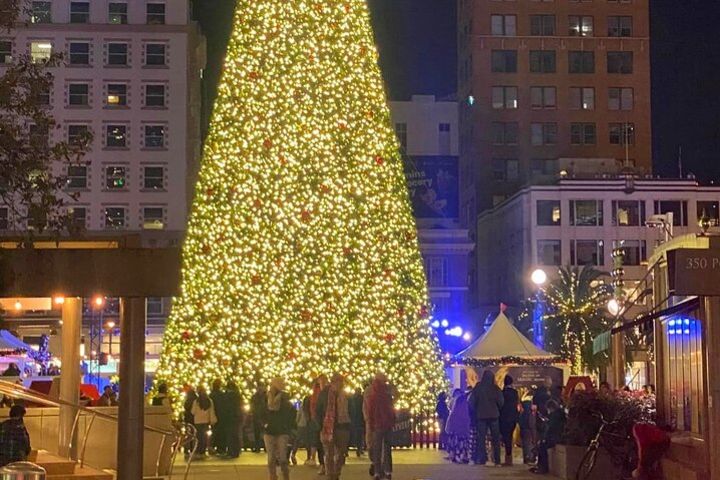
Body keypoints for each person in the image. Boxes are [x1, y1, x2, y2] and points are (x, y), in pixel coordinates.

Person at [318, 373, 351, 480]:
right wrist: (321, 425)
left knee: (341, 453)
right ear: (332, 382)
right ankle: (330, 475)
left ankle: (336, 473)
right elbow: (318, 410)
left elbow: (350, 410)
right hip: (328, 427)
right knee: (329, 454)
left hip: (342, 426)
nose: (340, 384)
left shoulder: (345, 395)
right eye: (338, 381)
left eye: (341, 381)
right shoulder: (325, 394)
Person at [469, 370, 503, 466]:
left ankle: (481, 459)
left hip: (481, 416)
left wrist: (476, 410)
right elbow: (501, 402)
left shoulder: (478, 388)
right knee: (496, 439)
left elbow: (471, 402)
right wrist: (497, 409)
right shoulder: (495, 388)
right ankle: (497, 460)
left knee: (481, 439)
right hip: (494, 416)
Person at [264, 377, 295, 480]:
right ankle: (272, 476)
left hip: (282, 430)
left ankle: (285, 476)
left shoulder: (284, 399)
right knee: (271, 458)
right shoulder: (266, 398)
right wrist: (264, 424)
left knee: (283, 458)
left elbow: (290, 413)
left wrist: (287, 426)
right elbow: (261, 411)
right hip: (269, 430)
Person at [367, 373, 395, 480]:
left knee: (377, 449)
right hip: (386, 424)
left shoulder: (373, 392)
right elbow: (390, 409)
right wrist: (392, 420)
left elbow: (370, 410)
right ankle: (387, 471)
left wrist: (370, 423)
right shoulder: (387, 392)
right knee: (387, 449)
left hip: (377, 424)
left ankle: (377, 472)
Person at [531, 399, 566, 475]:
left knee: (542, 447)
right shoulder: (559, 414)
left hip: (554, 438)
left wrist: (544, 438)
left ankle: (542, 467)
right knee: (541, 446)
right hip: (557, 436)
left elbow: (551, 429)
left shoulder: (554, 416)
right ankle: (540, 466)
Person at [444, 388, 470, 463]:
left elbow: (452, 412)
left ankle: (455, 455)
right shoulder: (465, 402)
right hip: (463, 425)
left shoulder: (456, 401)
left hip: (456, 426)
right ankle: (462, 455)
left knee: (455, 441)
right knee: (463, 441)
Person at [308, 375, 328, 473]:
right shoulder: (316, 393)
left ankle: (326, 464)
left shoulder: (329, 392)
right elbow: (313, 406)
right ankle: (323, 465)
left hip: (326, 420)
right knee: (320, 444)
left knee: (325, 444)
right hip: (319, 421)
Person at [191, 386, 217, 458]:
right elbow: (212, 411)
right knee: (204, 437)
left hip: (197, 421)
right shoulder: (209, 401)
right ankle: (203, 451)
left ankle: (198, 451)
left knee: (198, 437)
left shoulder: (196, 402)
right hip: (206, 421)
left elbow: (193, 412)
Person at [499, 375, 519, 466]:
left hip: (503, 417)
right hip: (513, 417)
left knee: (505, 437)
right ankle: (509, 458)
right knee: (509, 437)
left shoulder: (502, 393)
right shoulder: (515, 393)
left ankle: (506, 458)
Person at [225, 381, 243, 458]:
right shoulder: (238, 396)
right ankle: (236, 451)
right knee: (236, 435)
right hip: (237, 418)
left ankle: (231, 451)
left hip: (230, 418)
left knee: (230, 435)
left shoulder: (228, 396)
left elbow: (227, 408)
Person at [209, 379, 226, 455]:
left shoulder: (211, 395)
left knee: (214, 433)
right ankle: (221, 448)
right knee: (221, 433)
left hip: (214, 416)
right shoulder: (222, 395)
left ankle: (213, 447)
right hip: (222, 417)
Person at [250, 382, 268, 453]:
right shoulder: (255, 397)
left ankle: (265, 447)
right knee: (257, 433)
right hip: (257, 416)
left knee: (265, 433)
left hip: (264, 416)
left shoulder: (266, 396)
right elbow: (252, 405)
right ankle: (257, 447)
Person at [519, 398, 537, 465]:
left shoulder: (522, 414)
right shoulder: (530, 414)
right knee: (529, 445)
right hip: (529, 432)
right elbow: (531, 424)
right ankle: (529, 458)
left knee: (525, 446)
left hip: (523, 431)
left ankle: (526, 458)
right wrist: (534, 434)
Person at [349, 387, 365, 457]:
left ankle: (346, 451)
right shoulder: (362, 398)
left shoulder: (351, 398)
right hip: (360, 419)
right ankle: (359, 449)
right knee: (360, 436)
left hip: (353, 419)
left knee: (351, 435)